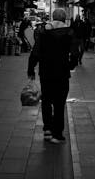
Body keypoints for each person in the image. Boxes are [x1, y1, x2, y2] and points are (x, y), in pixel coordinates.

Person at [27, 8, 79, 144]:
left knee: (46, 100)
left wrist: (30, 69)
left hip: (45, 72)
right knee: (59, 103)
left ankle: (47, 130)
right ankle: (57, 133)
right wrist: (70, 66)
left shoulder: (43, 31)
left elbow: (35, 51)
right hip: (62, 73)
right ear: (63, 19)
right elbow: (74, 53)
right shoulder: (69, 32)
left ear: (52, 18)